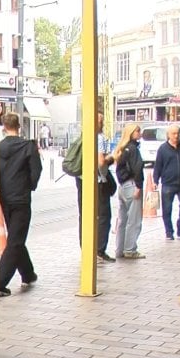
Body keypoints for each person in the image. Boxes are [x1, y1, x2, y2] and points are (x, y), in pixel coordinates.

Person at [0, 113, 42, 297]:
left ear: (4, 127)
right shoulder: (28, 146)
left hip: (5, 198)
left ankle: (28, 273)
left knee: (16, 236)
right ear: (19, 126)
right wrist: (29, 185)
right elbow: (36, 170)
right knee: (15, 240)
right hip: (21, 198)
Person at [75, 112, 117, 262]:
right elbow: (101, 162)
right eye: (99, 121)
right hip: (97, 181)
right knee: (103, 216)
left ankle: (86, 248)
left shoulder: (81, 137)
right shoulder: (99, 138)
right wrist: (112, 158)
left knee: (84, 215)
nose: (101, 123)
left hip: (81, 179)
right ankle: (99, 250)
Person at [153, 125, 180, 239]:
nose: (176, 136)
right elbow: (158, 166)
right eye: (173, 133)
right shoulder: (163, 149)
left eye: (177, 133)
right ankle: (169, 231)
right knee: (167, 209)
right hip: (168, 183)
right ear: (168, 134)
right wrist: (155, 180)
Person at [113, 124, 146, 259]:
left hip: (122, 186)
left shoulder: (122, 149)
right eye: (137, 131)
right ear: (131, 133)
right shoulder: (133, 149)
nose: (140, 133)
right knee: (134, 219)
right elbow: (137, 168)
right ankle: (130, 249)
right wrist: (138, 186)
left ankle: (120, 249)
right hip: (132, 185)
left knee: (122, 220)